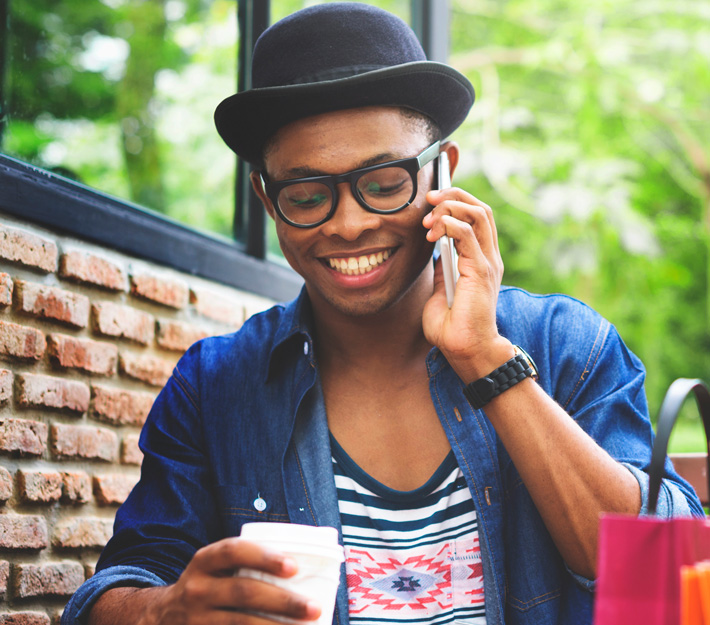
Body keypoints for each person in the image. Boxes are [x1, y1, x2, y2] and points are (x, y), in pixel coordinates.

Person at [62, 4, 703, 625]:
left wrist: (486, 358)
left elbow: (666, 573)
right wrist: (167, 612)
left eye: (384, 182)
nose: (349, 224)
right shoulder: (216, 385)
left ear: (442, 173)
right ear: (264, 196)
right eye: (307, 194)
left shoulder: (567, 345)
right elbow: (115, 592)